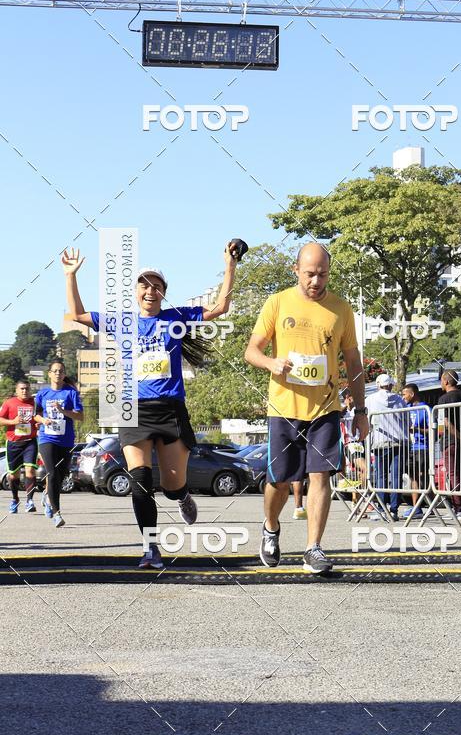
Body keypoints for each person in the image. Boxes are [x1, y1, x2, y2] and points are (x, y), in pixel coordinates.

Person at [63, 244, 239, 568]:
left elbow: (220, 308)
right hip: (133, 409)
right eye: (144, 283)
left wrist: (230, 265)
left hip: (170, 408)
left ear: (163, 293)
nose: (150, 288)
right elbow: (76, 315)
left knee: (172, 486)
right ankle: (151, 549)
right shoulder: (122, 322)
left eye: (156, 284)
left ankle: (183, 496)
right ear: (136, 291)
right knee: (140, 483)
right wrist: (70, 276)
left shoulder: (177, 318)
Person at [245, 242, 368, 574]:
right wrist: (271, 363)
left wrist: (360, 410)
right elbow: (251, 351)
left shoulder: (341, 309)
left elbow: (353, 361)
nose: (316, 281)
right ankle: (271, 528)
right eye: (310, 274)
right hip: (284, 409)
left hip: (325, 408)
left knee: (320, 476)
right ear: (296, 270)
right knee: (280, 481)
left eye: (323, 274)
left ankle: (314, 548)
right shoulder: (278, 302)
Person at [34, 360, 83, 528]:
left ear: (64, 374)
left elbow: (80, 416)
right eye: (54, 371)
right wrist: (43, 420)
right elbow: (36, 415)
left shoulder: (71, 393)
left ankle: (48, 496)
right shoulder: (43, 393)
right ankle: (57, 514)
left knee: (61, 475)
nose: (57, 374)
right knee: (52, 473)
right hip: (46, 439)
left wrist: (63, 411)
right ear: (49, 374)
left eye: (61, 371)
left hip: (66, 440)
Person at [366, 373, 407, 521]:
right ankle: (394, 509)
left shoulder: (370, 399)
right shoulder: (400, 399)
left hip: (380, 441)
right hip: (399, 441)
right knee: (396, 476)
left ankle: (382, 508)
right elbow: (406, 420)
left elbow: (367, 420)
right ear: (390, 385)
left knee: (381, 476)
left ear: (378, 385)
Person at [437, 370, 461, 520]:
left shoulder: (444, 398)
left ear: (445, 381)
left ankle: (460, 508)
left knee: (453, 474)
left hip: (451, 442)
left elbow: (446, 423)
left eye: (441, 381)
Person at [0, 379, 38, 513]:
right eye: (22, 389)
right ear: (17, 390)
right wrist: (13, 421)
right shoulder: (9, 403)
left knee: (30, 470)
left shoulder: (34, 403)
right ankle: (15, 499)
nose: (24, 391)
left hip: (30, 442)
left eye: (27, 388)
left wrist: (38, 424)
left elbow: (39, 417)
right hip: (13, 443)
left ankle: (29, 501)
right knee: (13, 475)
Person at [401, 383, 430, 519]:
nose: (403, 397)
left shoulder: (425, 409)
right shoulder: (405, 408)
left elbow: (436, 430)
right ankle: (416, 508)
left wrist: (417, 430)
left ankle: (429, 505)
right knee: (413, 477)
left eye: (404, 394)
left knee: (423, 476)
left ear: (412, 394)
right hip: (409, 447)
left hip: (422, 447)